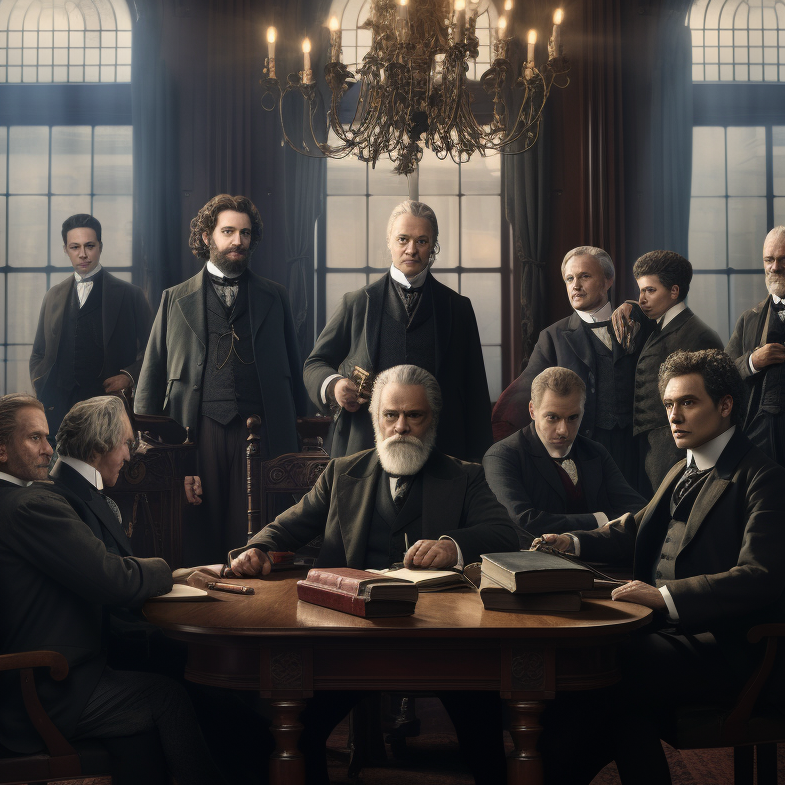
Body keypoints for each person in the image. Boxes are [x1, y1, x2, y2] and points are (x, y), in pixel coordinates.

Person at [538, 350, 785, 785]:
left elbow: (759, 578)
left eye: (688, 402)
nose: (675, 416)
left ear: (725, 405)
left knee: (614, 674)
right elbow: (637, 528)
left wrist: (662, 598)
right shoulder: (683, 466)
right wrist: (575, 545)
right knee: (610, 689)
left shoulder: (767, 479)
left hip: (741, 653)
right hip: (681, 642)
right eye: (669, 405)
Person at [0, 393, 265, 785]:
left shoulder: (21, 502)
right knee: (164, 700)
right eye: (33, 437)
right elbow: (113, 581)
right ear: (1, 450)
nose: (48, 447)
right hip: (40, 691)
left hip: (28, 679)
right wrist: (170, 569)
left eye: (47, 435)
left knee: (143, 733)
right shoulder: (32, 507)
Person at [229, 364, 518, 785]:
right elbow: (287, 525)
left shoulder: (463, 477)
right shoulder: (343, 473)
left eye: (414, 416)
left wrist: (452, 545)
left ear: (432, 421)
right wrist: (256, 549)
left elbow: (507, 532)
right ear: (374, 419)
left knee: (482, 724)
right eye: (391, 415)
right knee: (296, 720)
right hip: (347, 641)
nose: (401, 427)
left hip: (443, 641)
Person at [135, 194, 307, 561]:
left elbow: (295, 371)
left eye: (245, 233)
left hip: (264, 434)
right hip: (196, 435)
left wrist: (299, 445)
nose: (237, 241)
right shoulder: (174, 298)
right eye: (228, 231)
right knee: (199, 533)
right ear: (206, 237)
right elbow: (149, 384)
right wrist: (160, 457)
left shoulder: (275, 297)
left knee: (258, 536)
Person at [304, 200, 492, 462]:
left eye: (422, 241)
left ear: (433, 247)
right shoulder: (357, 303)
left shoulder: (458, 308)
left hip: (442, 453)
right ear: (389, 242)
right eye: (403, 239)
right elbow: (315, 364)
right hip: (365, 451)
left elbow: (476, 395)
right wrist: (334, 385)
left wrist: (479, 467)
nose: (411, 250)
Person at [490, 246, 640, 485]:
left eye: (585, 276)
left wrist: (635, 306)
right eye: (570, 278)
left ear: (608, 280)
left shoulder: (636, 323)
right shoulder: (553, 337)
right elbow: (526, 392)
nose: (575, 285)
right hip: (583, 449)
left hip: (635, 449)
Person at [483, 366, 644, 544]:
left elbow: (638, 509)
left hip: (597, 560)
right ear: (532, 410)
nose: (563, 430)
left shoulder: (595, 452)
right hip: (533, 564)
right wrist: (601, 520)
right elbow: (523, 521)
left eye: (573, 418)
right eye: (552, 417)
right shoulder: (502, 456)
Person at [30, 213, 153, 439]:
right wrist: (42, 384)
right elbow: (38, 352)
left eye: (90, 246)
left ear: (100, 247)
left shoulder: (130, 295)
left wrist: (128, 376)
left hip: (108, 408)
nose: (83, 254)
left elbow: (155, 349)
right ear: (66, 250)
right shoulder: (53, 296)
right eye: (75, 247)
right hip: (59, 410)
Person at [612, 250, 722, 492]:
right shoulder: (658, 324)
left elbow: (709, 403)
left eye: (650, 291)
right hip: (650, 448)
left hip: (675, 450)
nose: (641, 299)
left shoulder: (699, 335)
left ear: (674, 291)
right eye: (640, 291)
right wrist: (629, 305)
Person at [726, 225, 785, 497]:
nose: (775, 267)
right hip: (758, 443)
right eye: (769, 260)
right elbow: (722, 373)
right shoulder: (749, 318)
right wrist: (753, 360)